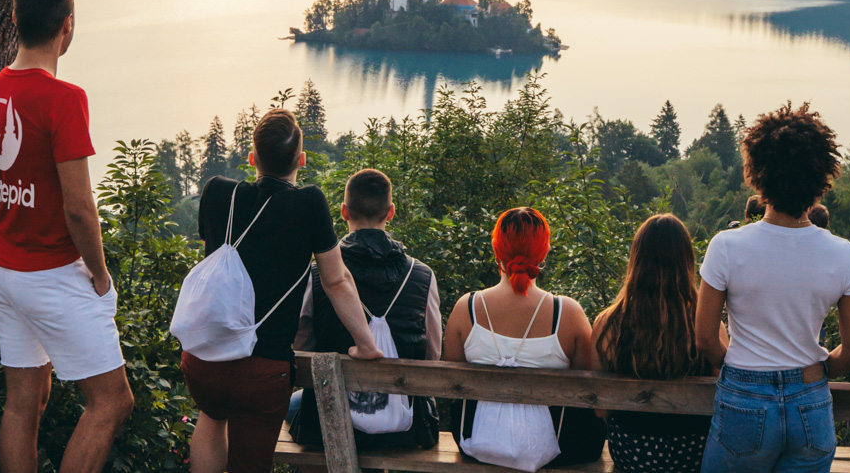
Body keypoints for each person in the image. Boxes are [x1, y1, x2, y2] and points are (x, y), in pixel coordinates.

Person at [0, 0, 133, 473]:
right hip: (53, 275)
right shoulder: (64, 99)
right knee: (111, 402)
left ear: (15, 21)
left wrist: (15, 230)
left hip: (2, 271)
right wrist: (100, 275)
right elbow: (79, 208)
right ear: (67, 27)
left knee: (23, 403)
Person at [183, 109, 382, 473]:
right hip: (263, 367)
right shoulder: (308, 203)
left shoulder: (216, 193)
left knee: (211, 417)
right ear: (301, 160)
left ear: (252, 158)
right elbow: (336, 281)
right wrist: (366, 343)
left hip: (203, 359)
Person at [695, 103, 850, 473]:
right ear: (822, 178)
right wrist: (816, 372)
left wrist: (742, 371)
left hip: (743, 399)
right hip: (811, 404)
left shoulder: (726, 247)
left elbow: (705, 339)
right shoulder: (844, 255)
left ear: (757, 175)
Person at [290, 168, 441, 449]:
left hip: (326, 425)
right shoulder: (422, 276)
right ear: (391, 211)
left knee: (294, 403)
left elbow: (303, 344)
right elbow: (432, 352)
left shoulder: (317, 274)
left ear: (344, 211)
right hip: (405, 428)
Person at [445, 207, 605, 468]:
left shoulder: (467, 308)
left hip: (475, 442)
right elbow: (583, 388)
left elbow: (454, 382)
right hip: (557, 447)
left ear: (496, 250)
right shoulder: (568, 313)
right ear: (544, 252)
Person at [592, 214, 728, 473]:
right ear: (686, 262)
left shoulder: (608, 325)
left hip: (631, 450)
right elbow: (720, 401)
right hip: (692, 451)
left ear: (637, 260)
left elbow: (600, 409)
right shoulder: (708, 327)